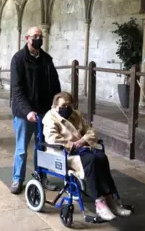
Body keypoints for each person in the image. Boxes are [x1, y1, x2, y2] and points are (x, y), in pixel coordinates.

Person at [42, 92, 132, 221]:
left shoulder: (75, 114)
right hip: (63, 152)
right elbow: (52, 139)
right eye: (63, 105)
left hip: (82, 147)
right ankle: (99, 203)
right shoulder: (50, 118)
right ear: (56, 106)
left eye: (69, 105)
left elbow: (91, 131)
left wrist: (82, 141)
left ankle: (110, 199)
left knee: (101, 157)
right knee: (91, 160)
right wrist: (72, 145)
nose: (66, 108)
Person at [10, 26, 61, 194]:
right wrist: (27, 111)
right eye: (35, 36)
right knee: (22, 148)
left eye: (41, 36)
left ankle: (42, 177)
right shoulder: (18, 59)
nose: (38, 39)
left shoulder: (46, 59)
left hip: (44, 112)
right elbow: (16, 90)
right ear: (27, 38)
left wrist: (57, 104)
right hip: (25, 113)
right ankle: (18, 179)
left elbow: (55, 84)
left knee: (42, 147)